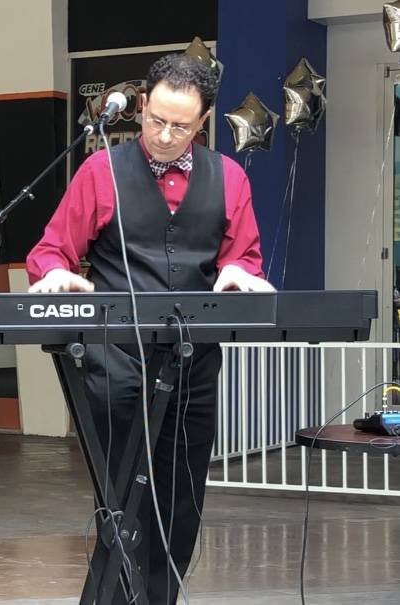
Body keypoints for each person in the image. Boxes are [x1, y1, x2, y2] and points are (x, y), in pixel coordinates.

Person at [26, 53, 274, 604]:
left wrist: (237, 271)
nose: (163, 135)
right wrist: (58, 275)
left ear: (203, 121)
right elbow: (48, 252)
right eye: (155, 119)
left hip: (193, 364)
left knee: (183, 503)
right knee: (124, 505)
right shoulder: (100, 171)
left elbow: (245, 262)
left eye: (179, 126)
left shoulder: (229, 178)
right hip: (117, 362)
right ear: (141, 106)